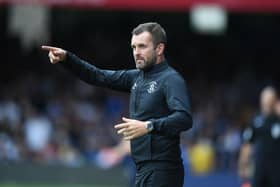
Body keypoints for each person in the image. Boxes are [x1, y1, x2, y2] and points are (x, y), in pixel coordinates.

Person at [42, 22, 193, 187]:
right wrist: (67, 58)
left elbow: (184, 118)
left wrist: (149, 126)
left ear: (159, 49)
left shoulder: (171, 79)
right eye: (134, 47)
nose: (136, 52)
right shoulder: (136, 78)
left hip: (164, 171)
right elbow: (98, 76)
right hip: (142, 170)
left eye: (142, 46)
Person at [238, 86, 280, 187]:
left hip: (277, 169)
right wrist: (243, 165)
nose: (266, 102)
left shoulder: (278, 120)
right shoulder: (256, 121)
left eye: (270, 99)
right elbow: (247, 144)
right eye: (264, 98)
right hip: (260, 169)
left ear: (275, 100)